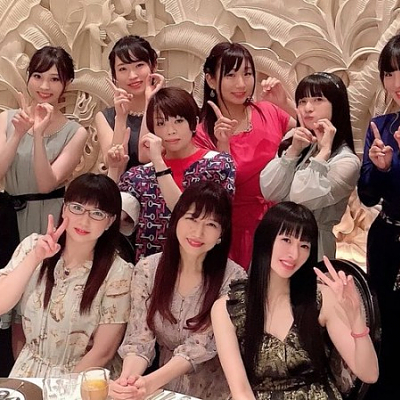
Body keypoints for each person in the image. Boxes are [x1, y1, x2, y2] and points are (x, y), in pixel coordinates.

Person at [211, 201, 378, 400]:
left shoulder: (321, 298)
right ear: (265, 240)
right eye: (286, 240)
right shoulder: (226, 309)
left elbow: (369, 374)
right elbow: (241, 391)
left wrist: (356, 317)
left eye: (304, 245)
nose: (295, 254)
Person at [109, 181, 247, 400]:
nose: (198, 232)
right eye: (192, 219)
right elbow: (139, 339)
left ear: (221, 233)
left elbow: (201, 345)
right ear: (176, 220)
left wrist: (149, 382)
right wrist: (128, 381)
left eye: (211, 224)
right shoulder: (148, 270)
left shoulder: (234, 278)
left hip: (214, 391)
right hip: (164, 388)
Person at [0, 173, 133, 377]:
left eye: (97, 213)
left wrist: (60, 388)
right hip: (28, 371)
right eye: (77, 208)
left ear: (110, 221)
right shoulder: (32, 246)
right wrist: (35, 257)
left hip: (81, 378)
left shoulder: (118, 272)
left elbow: (103, 352)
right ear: (64, 209)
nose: (84, 221)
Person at [195, 42, 296, 270]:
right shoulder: (202, 134)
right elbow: (216, 193)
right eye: (230, 75)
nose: (241, 84)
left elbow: (312, 135)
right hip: (236, 233)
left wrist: (285, 103)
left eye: (247, 74)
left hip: (279, 224)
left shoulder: (268, 111)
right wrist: (223, 146)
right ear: (211, 80)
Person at [114, 87, 235, 263]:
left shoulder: (217, 164)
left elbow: (188, 214)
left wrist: (158, 162)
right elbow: (110, 219)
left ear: (194, 123)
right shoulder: (140, 175)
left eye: (178, 121)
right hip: (152, 269)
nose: (170, 131)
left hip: (204, 265)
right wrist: (114, 169)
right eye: (161, 123)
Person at [260, 72, 360, 260]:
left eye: (318, 100)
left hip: (313, 244)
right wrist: (293, 151)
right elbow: (269, 190)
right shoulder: (294, 139)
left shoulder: (347, 161)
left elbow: (301, 199)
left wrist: (323, 152)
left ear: (336, 105)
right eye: (302, 101)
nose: (307, 108)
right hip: (277, 236)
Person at [0, 45, 88, 241]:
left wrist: (38, 135)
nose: (44, 86)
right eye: (38, 76)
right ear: (29, 77)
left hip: (48, 217)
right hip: (7, 216)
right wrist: (17, 135)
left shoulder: (75, 132)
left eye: (54, 79)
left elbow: (46, 185)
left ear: (67, 83)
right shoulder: (7, 119)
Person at [357, 33, 400, 399]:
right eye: (389, 73)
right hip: (386, 235)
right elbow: (366, 195)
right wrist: (381, 168)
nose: (396, 82)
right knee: (384, 320)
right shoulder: (381, 126)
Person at [95, 35, 163, 174]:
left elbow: (147, 157)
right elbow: (113, 166)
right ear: (114, 76)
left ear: (154, 65)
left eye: (139, 65)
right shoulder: (105, 117)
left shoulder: (170, 109)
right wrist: (121, 118)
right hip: (122, 186)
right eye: (123, 69)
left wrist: (149, 102)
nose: (132, 76)